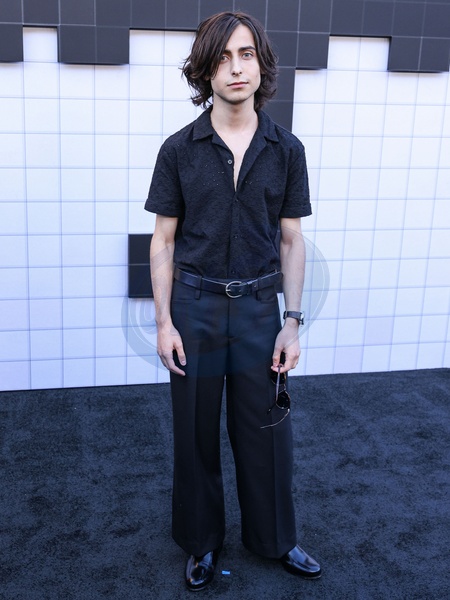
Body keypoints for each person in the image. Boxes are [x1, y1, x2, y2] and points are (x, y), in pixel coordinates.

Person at [145, 11, 321, 591]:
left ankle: (275, 538)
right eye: (221, 58)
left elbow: (292, 239)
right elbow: (163, 240)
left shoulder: (286, 149)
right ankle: (201, 542)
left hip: (258, 311)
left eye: (246, 54)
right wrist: (164, 322)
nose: (235, 68)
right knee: (195, 433)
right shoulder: (178, 149)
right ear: (204, 70)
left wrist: (291, 322)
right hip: (194, 310)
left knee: (267, 431)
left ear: (261, 64)